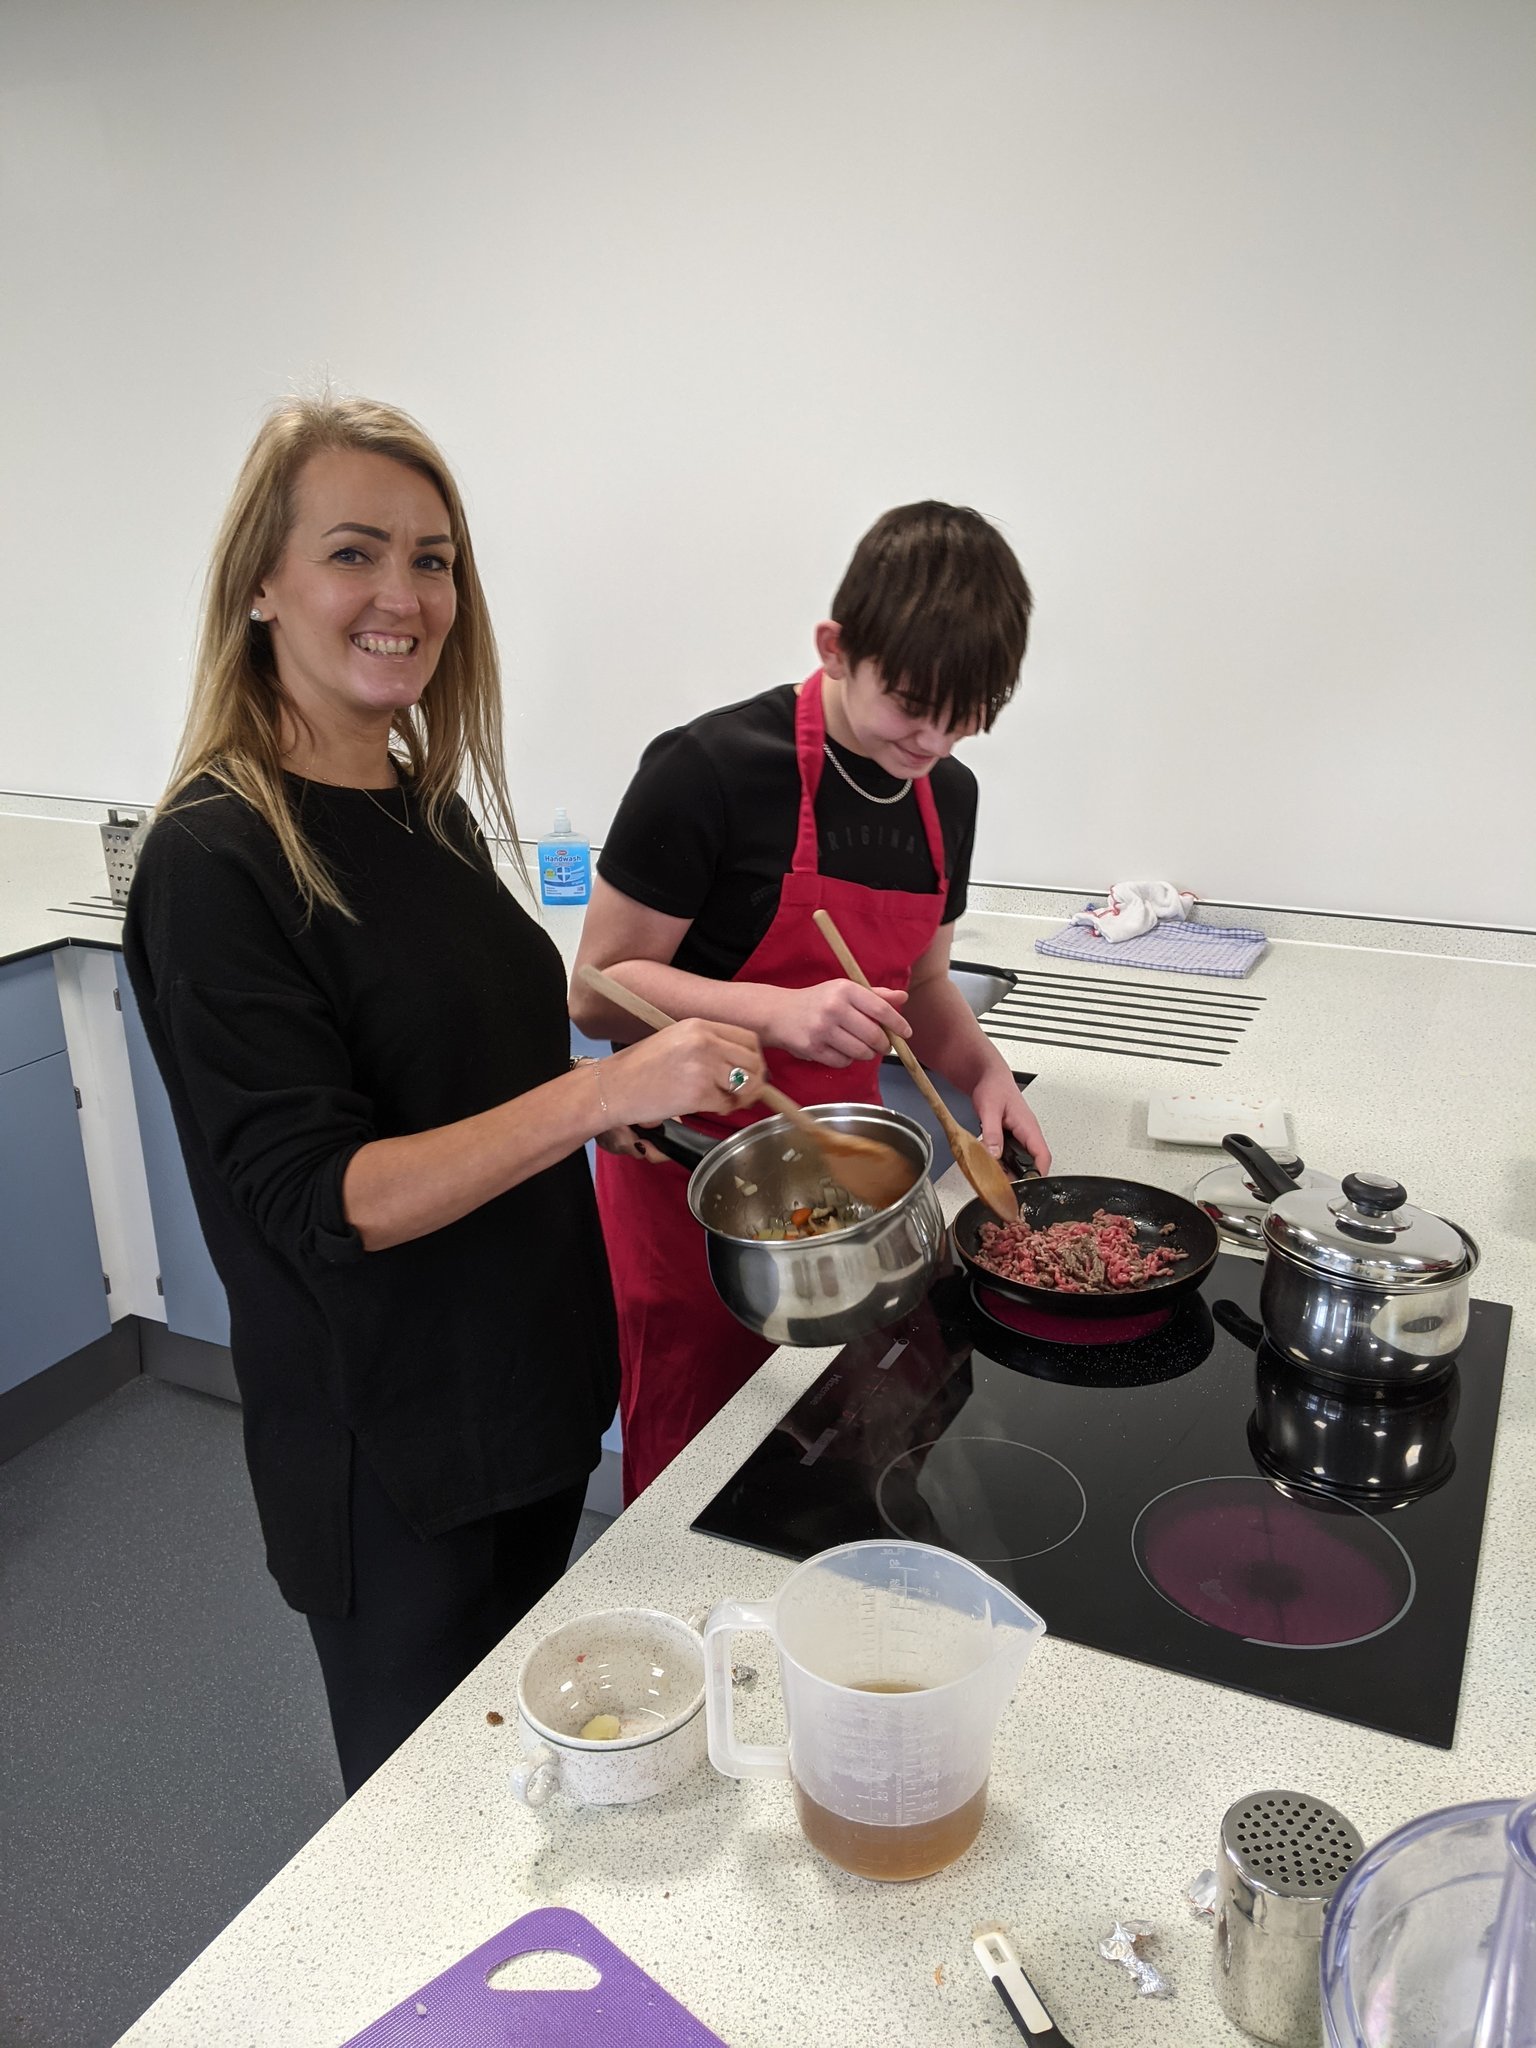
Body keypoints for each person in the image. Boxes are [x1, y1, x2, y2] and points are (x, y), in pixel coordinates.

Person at [123, 395, 764, 1795]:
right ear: (261, 588)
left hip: (528, 1403)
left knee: (530, 1792)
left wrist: (633, 1099)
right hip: (393, 1458)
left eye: (435, 559)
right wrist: (597, 1100)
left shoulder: (430, 804)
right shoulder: (217, 862)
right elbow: (327, 1200)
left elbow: (485, 1058)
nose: (406, 597)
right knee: (423, 1833)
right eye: (357, 553)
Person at [571, 500, 1051, 1502]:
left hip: (846, 1195)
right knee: (697, 1488)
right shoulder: (705, 771)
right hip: (694, 1191)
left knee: (845, 1458)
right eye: (912, 704)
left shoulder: (945, 795)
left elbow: (924, 987)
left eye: (966, 718)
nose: (933, 739)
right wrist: (773, 1012)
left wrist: (983, 1072)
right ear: (835, 648)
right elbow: (599, 987)